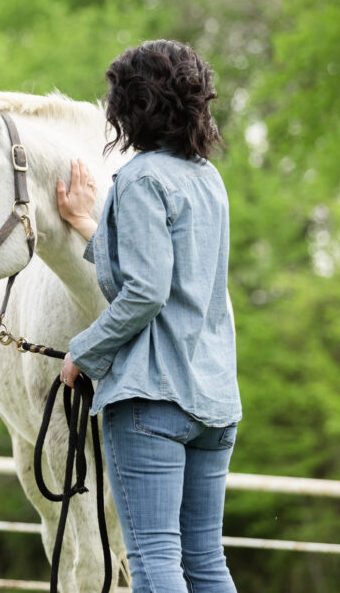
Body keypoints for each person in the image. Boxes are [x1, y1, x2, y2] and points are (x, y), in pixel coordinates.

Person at [55, 39, 241, 592]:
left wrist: (84, 352)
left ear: (133, 104)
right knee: (206, 561)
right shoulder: (207, 178)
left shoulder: (139, 179)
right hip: (213, 400)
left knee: (155, 558)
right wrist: (87, 222)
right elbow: (164, 268)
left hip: (150, 399)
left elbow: (145, 292)